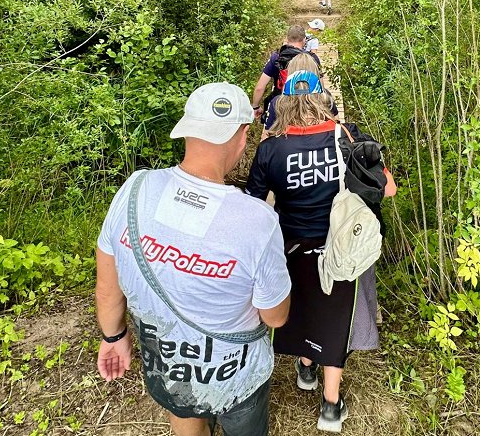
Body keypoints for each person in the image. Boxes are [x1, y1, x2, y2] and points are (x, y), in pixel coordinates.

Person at [95, 82, 292, 436]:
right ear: (243, 135)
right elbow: (275, 317)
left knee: (184, 414)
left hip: (167, 366)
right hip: (236, 377)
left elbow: (108, 287)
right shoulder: (257, 221)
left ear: (185, 130)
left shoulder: (134, 189)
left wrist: (113, 337)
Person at [246, 75, 396, 433]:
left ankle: (305, 368)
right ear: (324, 98)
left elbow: (253, 205)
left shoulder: (270, 149)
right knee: (335, 317)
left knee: (305, 307)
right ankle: (330, 406)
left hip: (292, 247)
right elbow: (387, 189)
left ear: (281, 102)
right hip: (340, 250)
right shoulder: (346, 139)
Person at [250, 25, 321, 124]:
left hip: (280, 104)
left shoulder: (276, 57)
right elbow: (320, 88)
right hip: (305, 106)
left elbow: (260, 87)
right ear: (304, 39)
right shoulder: (312, 58)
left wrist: (255, 106)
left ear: (287, 39)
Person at [261, 53, 338, 135]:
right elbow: (336, 124)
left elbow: (266, 137)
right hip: (321, 142)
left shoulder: (277, 102)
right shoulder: (325, 97)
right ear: (315, 73)